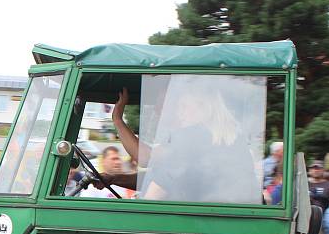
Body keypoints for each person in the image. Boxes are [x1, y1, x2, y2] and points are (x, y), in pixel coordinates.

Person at [104, 87, 259, 204]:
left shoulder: (194, 136)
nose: (180, 113)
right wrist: (113, 178)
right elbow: (157, 175)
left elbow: (145, 158)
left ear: (205, 107)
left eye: (184, 106)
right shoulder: (222, 136)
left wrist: (117, 120)